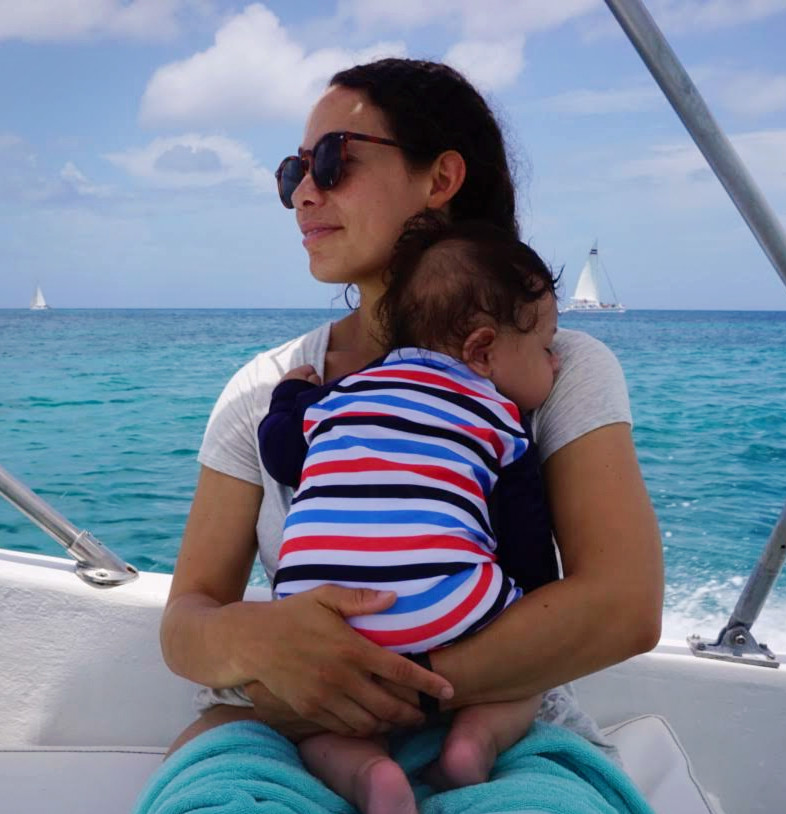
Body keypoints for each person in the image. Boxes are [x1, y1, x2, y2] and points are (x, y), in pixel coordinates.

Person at [159, 57, 662, 807]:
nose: (303, 191)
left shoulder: (549, 369)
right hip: (282, 726)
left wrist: (377, 676)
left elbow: (622, 605)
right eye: (292, 169)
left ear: (441, 178)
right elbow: (188, 618)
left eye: (332, 161)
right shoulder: (266, 388)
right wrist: (261, 644)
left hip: (498, 723)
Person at [257, 215, 561, 811]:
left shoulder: (343, 394)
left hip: (321, 624)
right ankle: (473, 743)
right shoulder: (501, 421)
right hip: (444, 616)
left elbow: (280, 453)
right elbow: (527, 539)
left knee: (318, 727)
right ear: (482, 350)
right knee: (530, 674)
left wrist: (289, 394)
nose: (555, 364)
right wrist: (532, 608)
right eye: (546, 348)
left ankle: (369, 773)